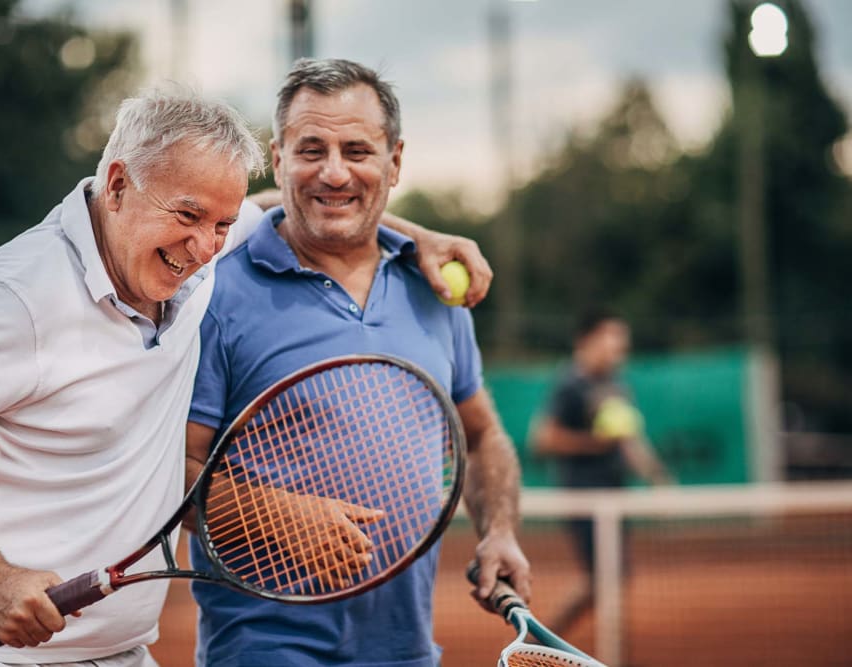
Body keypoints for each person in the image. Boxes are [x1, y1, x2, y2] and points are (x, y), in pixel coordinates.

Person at [0, 84, 493, 667]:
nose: (206, 246)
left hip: (117, 648)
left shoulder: (191, 255)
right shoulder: (19, 295)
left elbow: (292, 206)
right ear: (119, 183)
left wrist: (419, 236)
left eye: (221, 224)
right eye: (187, 217)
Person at [185, 58, 530, 667]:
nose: (335, 171)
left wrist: (498, 530)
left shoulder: (437, 291)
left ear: (395, 162)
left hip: (405, 648)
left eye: (358, 150)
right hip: (265, 648)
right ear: (278, 159)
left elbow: (481, 436)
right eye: (311, 149)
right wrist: (276, 516)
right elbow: (170, 471)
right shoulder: (215, 294)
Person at [532, 308, 670, 633]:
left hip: (615, 493)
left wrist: (656, 478)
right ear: (587, 340)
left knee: (612, 577)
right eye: (611, 339)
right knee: (605, 577)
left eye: (622, 341)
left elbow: (629, 441)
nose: (619, 348)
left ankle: (595, 646)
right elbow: (544, 439)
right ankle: (542, 642)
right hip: (584, 495)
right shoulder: (569, 383)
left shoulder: (615, 384)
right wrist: (595, 443)